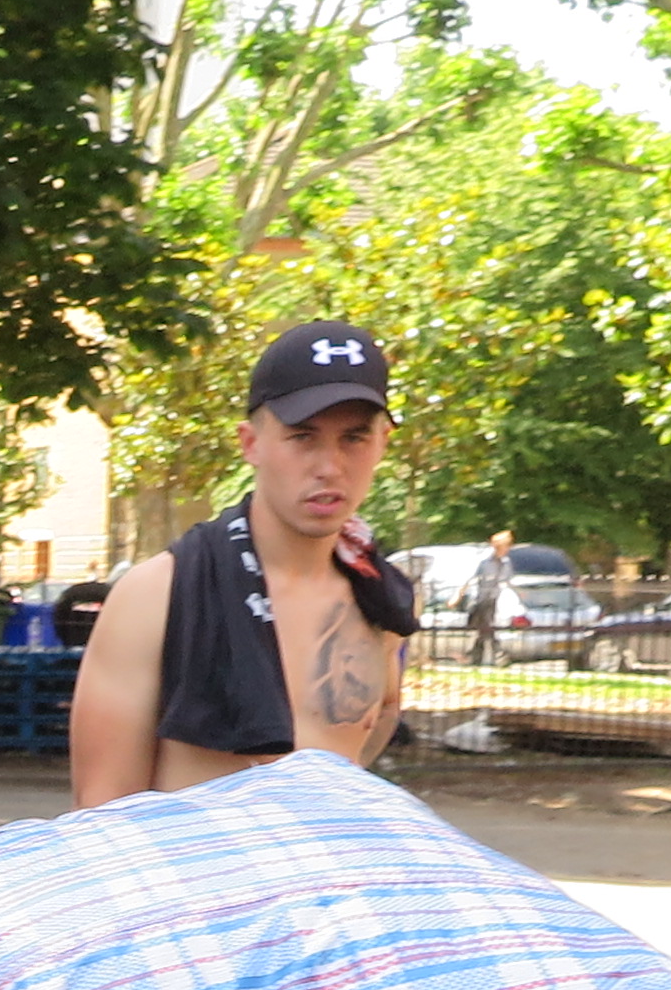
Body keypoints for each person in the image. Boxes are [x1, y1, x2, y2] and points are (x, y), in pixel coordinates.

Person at [66, 319, 420, 806]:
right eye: (303, 437)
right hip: (197, 876)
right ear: (251, 443)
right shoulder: (158, 596)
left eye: (354, 438)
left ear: (382, 442)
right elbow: (102, 815)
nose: (329, 466)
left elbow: (362, 744)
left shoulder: (379, 596)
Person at [470, 526, 513, 666]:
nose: (507, 549)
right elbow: (474, 579)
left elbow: (506, 580)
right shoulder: (485, 562)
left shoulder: (506, 563)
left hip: (497, 600)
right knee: (487, 628)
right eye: (505, 545)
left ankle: (480, 657)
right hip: (483, 600)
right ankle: (496, 656)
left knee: (487, 630)